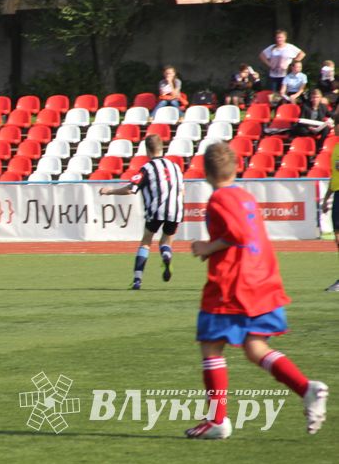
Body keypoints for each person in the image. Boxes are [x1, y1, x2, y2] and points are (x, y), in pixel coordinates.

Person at [185, 142, 328, 439]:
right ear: (236, 168)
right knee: (255, 348)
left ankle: (217, 420)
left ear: (205, 172)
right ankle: (306, 389)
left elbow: (238, 234)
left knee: (211, 345)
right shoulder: (245, 196)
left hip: (234, 284)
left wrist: (207, 247)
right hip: (262, 279)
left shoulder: (219, 198)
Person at [99, 134, 184, 289]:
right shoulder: (175, 167)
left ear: (147, 150)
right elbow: (182, 191)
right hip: (176, 210)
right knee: (166, 240)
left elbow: (131, 189)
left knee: (146, 241)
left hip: (156, 210)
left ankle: (137, 279)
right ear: (162, 148)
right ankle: (166, 254)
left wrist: (110, 191)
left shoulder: (148, 168)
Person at [320, 121, 339, 292]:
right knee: (337, 237)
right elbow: (334, 176)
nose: (334, 129)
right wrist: (327, 198)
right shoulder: (336, 149)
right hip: (337, 194)